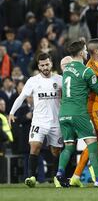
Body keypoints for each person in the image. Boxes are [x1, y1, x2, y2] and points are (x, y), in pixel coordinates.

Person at [54, 40, 98, 188]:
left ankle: (60, 174)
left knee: (69, 147)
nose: (86, 52)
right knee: (93, 145)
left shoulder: (66, 69)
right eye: (84, 50)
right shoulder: (87, 70)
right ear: (80, 53)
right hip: (79, 112)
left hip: (64, 113)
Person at [8, 53, 63, 188]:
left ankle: (56, 176)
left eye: (47, 64)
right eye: (42, 65)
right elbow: (22, 97)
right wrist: (11, 112)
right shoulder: (33, 81)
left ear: (51, 64)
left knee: (56, 151)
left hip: (56, 121)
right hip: (39, 121)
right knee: (35, 146)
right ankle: (32, 177)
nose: (45, 67)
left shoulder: (60, 79)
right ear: (38, 66)